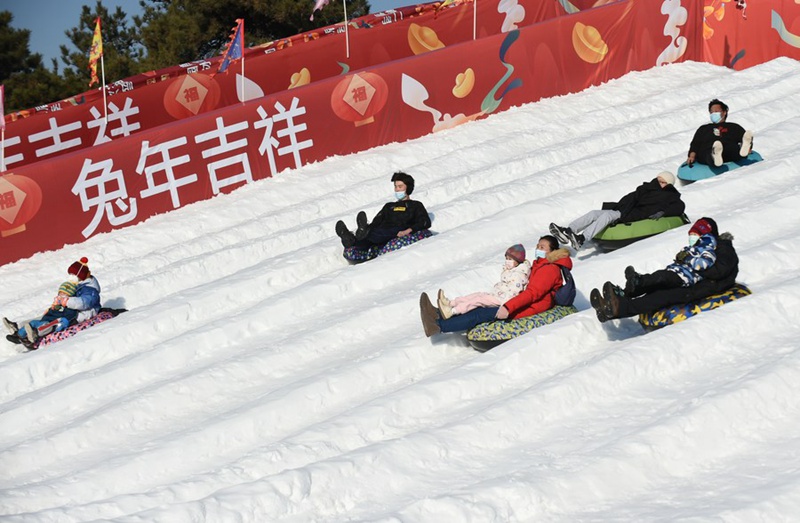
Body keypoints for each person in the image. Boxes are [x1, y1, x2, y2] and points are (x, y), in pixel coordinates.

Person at [590, 217, 739, 322]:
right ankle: (620, 296)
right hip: (690, 281)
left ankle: (618, 308)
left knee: (658, 296)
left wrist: (688, 262)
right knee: (659, 281)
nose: (693, 239)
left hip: (700, 287)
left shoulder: (724, 249)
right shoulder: (702, 248)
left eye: (696, 235)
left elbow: (719, 272)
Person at [420, 235, 572, 337]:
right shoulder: (540, 265)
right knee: (479, 303)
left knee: (478, 313)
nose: (538, 249)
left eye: (543, 247)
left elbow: (532, 294)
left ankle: (439, 326)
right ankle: (438, 314)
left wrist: (508, 307)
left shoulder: (549, 269)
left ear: (552, 251)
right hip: (519, 300)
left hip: (529, 306)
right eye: (538, 245)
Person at [549, 171, 685, 250]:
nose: (658, 183)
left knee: (608, 215)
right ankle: (569, 231)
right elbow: (631, 198)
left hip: (637, 214)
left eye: (662, 182)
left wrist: (663, 212)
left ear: (668, 184)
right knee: (594, 213)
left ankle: (582, 238)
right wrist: (621, 206)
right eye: (658, 180)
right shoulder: (647, 188)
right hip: (626, 209)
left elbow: (679, 206)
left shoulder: (671, 195)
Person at [3, 257, 102, 349]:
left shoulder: (90, 290)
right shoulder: (78, 285)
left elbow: (84, 303)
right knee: (44, 317)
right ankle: (19, 328)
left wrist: (66, 301)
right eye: (71, 275)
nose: (71, 277)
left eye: (74, 275)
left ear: (82, 276)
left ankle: (34, 333)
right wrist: (55, 307)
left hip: (82, 314)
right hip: (69, 309)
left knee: (51, 322)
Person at [335, 172, 431, 250]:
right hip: (381, 232)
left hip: (399, 230)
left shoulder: (415, 205)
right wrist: (369, 228)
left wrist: (408, 230)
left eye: (400, 187)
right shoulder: (389, 206)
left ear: (408, 188)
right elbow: (377, 221)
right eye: (395, 186)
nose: (397, 189)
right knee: (369, 236)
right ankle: (350, 239)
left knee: (374, 233)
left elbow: (425, 222)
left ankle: (363, 234)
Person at [437, 244, 531, 319]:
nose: (507, 261)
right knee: (477, 295)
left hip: (503, 299)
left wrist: (505, 305)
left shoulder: (518, 274)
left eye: (510, 259)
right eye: (506, 258)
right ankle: (450, 303)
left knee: (478, 300)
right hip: (497, 295)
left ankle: (452, 311)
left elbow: (514, 292)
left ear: (518, 261)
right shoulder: (511, 270)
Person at [687, 98, 754, 168]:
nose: (713, 114)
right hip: (708, 151)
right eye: (711, 112)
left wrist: (748, 147)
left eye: (716, 111)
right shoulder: (704, 128)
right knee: (707, 153)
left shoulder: (734, 127)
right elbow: (695, 144)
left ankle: (742, 151)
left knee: (733, 148)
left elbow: (745, 137)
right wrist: (692, 156)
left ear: (724, 112)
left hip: (727, 151)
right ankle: (714, 156)